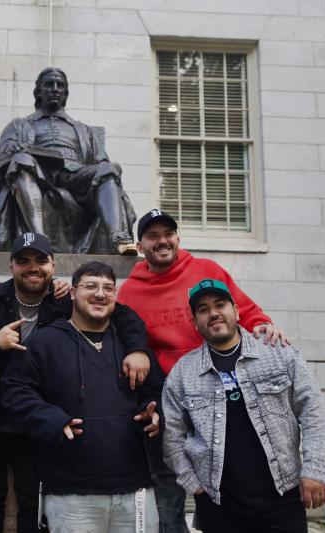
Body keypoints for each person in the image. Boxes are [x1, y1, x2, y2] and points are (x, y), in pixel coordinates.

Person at [0, 233, 152, 533]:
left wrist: (137, 350)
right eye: (24, 261)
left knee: (33, 500)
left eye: (40, 261)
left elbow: (122, 316)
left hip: (38, 421)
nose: (33, 268)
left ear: (53, 265)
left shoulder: (63, 302)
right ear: (11, 265)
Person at [117, 209, 288, 533]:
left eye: (168, 233)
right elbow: (124, 340)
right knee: (168, 493)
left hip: (219, 391)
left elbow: (244, 310)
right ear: (140, 247)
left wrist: (264, 326)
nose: (162, 241)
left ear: (178, 238)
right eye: (153, 236)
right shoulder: (130, 292)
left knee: (229, 481)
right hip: (168, 400)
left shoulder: (207, 271)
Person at [1, 261, 164, 533]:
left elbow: (158, 391)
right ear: (73, 293)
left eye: (108, 288)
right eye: (90, 286)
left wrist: (157, 413)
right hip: (70, 493)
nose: (100, 294)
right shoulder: (45, 342)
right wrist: (53, 420)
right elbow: (14, 391)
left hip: (135, 488)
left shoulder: (133, 346)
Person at [162, 279, 325, 532]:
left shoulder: (278, 353)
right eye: (203, 309)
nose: (213, 314)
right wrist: (193, 484)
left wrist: (315, 470)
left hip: (281, 497)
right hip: (217, 504)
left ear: (237, 311)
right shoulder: (182, 374)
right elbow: (171, 436)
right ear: (195, 321)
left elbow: (313, 412)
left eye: (220, 305)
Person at [0, 67, 137, 255]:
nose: (55, 89)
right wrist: (14, 150)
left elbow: (101, 161)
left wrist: (103, 168)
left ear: (65, 93)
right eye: (49, 84)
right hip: (38, 172)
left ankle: (118, 237)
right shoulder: (19, 125)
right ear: (39, 92)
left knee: (109, 169)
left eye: (60, 86)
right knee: (21, 160)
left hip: (76, 174)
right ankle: (39, 240)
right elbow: (2, 158)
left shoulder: (83, 129)